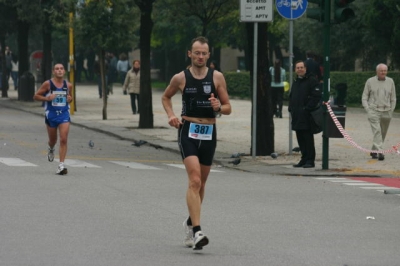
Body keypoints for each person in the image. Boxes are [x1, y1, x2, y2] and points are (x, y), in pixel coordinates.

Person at [161, 36, 231, 250]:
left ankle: (190, 221)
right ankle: (197, 231)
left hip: (209, 132)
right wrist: (171, 115)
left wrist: (218, 107)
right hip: (188, 131)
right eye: (196, 52)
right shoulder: (180, 78)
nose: (200, 56)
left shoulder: (217, 77)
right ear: (189, 54)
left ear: (209, 55)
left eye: (204, 53)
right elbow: (166, 97)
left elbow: (228, 107)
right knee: (194, 180)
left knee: (201, 184)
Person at [33, 64, 73, 175]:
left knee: (63, 139)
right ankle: (51, 148)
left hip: (64, 114)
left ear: (64, 71)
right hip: (51, 115)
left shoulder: (68, 85)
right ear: (53, 71)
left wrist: (70, 99)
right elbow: (35, 96)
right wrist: (47, 98)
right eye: (57, 69)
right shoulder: (48, 84)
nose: (59, 71)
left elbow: (70, 98)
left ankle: (61, 165)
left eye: (61, 69)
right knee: (53, 140)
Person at [288, 60, 321, 168]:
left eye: (301, 67)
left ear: (305, 69)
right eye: (297, 68)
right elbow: (292, 96)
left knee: (307, 138)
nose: (299, 69)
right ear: (295, 70)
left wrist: (307, 108)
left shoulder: (312, 80)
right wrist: (291, 108)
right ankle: (304, 158)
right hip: (297, 114)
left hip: (307, 115)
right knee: (300, 137)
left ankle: (310, 160)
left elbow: (316, 96)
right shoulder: (296, 81)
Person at [362, 63, 396, 161]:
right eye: (381, 70)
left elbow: (393, 98)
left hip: (387, 111)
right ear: (377, 71)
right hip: (374, 110)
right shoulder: (370, 81)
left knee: (383, 133)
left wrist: (392, 109)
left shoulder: (391, 81)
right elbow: (364, 97)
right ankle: (380, 151)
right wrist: (368, 109)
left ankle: (374, 150)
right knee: (377, 131)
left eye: (385, 70)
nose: (383, 72)